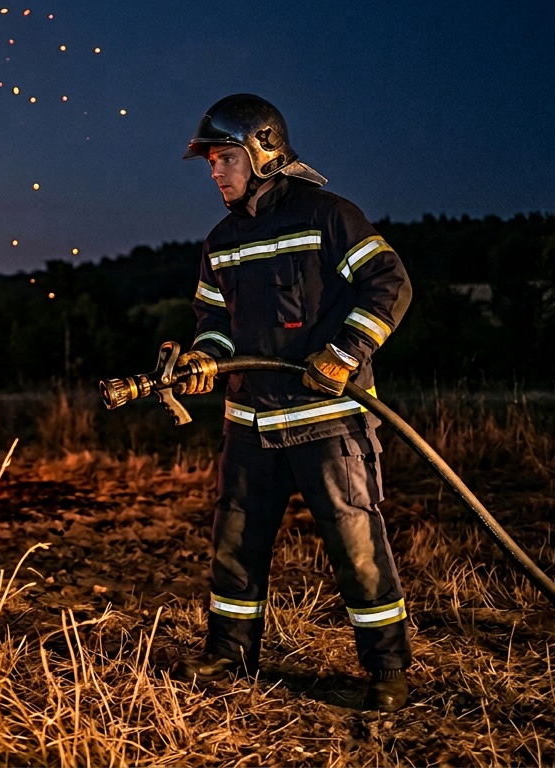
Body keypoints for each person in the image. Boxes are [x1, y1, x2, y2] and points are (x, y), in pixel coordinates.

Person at [167, 94, 414, 712]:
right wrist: (206, 358)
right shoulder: (220, 240)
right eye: (211, 163)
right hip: (248, 423)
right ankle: (229, 652)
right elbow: (214, 319)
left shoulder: (327, 215)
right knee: (235, 541)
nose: (216, 173)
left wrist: (347, 352)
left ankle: (386, 671)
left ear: (263, 150)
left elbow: (391, 283)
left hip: (326, 419)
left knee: (355, 542)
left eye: (225, 158)